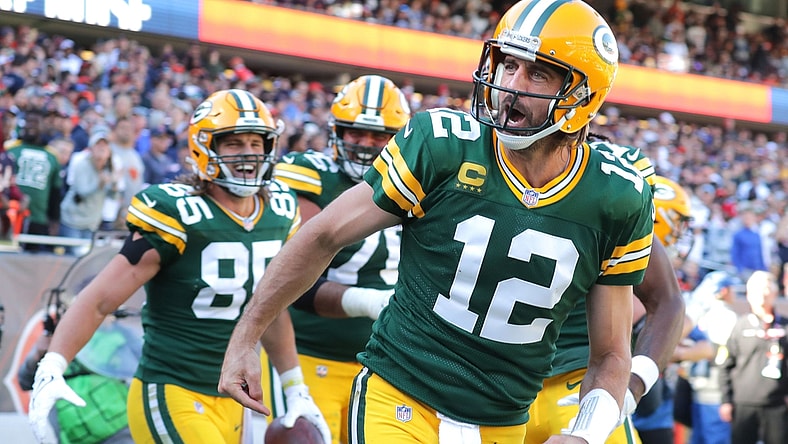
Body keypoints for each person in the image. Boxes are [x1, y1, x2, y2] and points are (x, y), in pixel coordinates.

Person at [220, 2, 655, 443]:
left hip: (502, 421)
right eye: (507, 65)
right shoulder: (442, 145)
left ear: (583, 95)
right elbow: (322, 235)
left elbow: (611, 354)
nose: (509, 87)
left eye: (537, 73)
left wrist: (586, 434)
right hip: (400, 393)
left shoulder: (618, 197)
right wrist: (246, 336)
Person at [28, 89, 330, 444]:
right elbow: (99, 300)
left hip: (234, 398)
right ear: (204, 148)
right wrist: (52, 365)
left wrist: (295, 387)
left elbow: (271, 311)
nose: (249, 154)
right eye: (233, 144)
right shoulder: (176, 213)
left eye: (256, 142)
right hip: (172, 390)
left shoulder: (280, 211)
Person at [270, 74, 410, 443]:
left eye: (379, 136)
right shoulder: (312, 176)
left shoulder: (420, 183)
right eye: (356, 134)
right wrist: (369, 302)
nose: (366, 146)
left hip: (384, 365)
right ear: (336, 132)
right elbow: (293, 279)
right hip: (310, 356)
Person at [526, 172, 688, 444]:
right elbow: (666, 304)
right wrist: (634, 385)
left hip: (503, 389)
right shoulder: (617, 201)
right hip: (581, 387)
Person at [718, 271, 788, 444]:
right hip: (744, 404)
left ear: (775, 292)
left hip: (778, 404)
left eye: (767, 289)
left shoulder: (784, 326)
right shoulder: (740, 326)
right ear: (749, 294)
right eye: (758, 289)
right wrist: (726, 401)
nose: (763, 295)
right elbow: (725, 364)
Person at [6, 108, 63, 251]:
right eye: (28, 121)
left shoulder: (52, 155)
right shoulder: (10, 148)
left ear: (44, 125)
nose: (31, 125)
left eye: (35, 122)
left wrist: (54, 220)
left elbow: (55, 192)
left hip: (38, 218)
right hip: (10, 216)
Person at [58, 131, 116, 255]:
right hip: (73, 220)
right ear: (91, 148)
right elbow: (82, 192)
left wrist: (115, 186)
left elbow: (112, 197)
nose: (101, 148)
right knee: (74, 257)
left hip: (91, 223)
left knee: (85, 259)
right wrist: (99, 185)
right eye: (98, 145)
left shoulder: (109, 168)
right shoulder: (81, 164)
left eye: (104, 145)